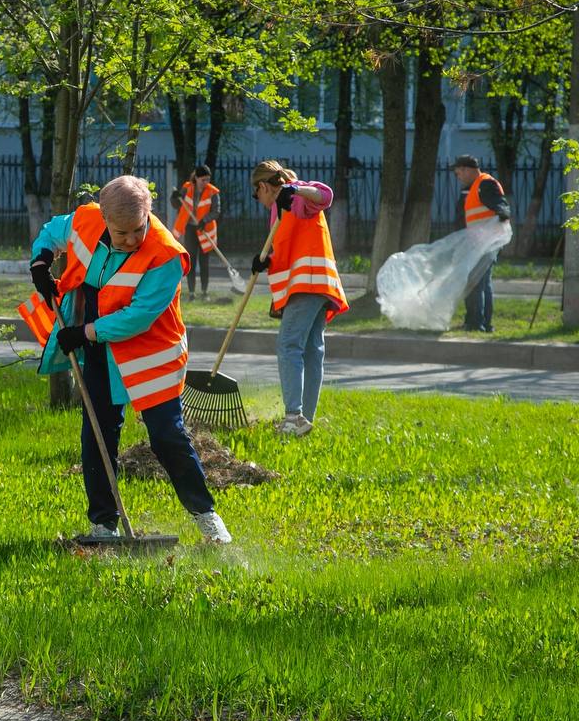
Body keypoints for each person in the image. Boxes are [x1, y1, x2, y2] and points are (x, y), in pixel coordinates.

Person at [27, 175, 231, 544]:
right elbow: (52, 231)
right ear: (104, 217)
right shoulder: (86, 220)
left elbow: (138, 316)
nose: (131, 240)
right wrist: (40, 262)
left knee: (167, 436)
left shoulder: (164, 254)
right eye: (121, 233)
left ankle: (208, 519)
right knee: (98, 432)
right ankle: (103, 524)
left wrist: (85, 332)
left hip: (151, 353)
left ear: (148, 213)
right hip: (100, 348)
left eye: (137, 230)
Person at [248, 160, 348, 437]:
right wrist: (264, 261)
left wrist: (294, 189)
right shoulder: (280, 209)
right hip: (315, 284)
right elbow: (289, 245)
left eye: (257, 195)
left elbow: (325, 195)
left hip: (309, 283)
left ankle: (293, 416)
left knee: (289, 344)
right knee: (311, 349)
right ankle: (304, 419)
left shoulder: (296, 197)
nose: (260, 201)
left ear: (263, 186)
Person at [451, 155, 510, 332]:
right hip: (477, 242)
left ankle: (476, 323)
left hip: (485, 243)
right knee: (481, 283)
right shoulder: (472, 188)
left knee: (475, 282)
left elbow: (500, 204)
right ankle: (481, 322)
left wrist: (503, 213)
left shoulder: (485, 184)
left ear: (467, 169)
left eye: (459, 173)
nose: (458, 177)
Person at [170, 164, 221, 300]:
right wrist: (174, 197)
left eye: (208, 179)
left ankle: (205, 292)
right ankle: (192, 292)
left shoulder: (213, 192)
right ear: (196, 178)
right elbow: (176, 205)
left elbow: (216, 211)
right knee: (191, 260)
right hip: (191, 228)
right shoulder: (187, 188)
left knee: (204, 262)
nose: (206, 182)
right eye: (203, 179)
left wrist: (205, 220)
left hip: (205, 229)